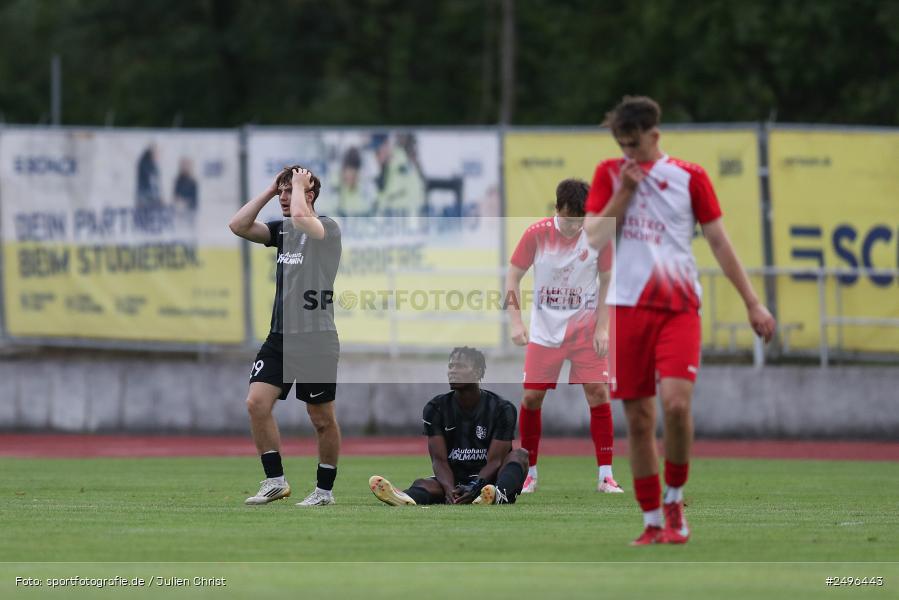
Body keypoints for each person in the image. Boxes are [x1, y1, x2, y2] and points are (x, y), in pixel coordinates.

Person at [583, 96, 776, 545]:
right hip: (628, 308)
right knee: (638, 418)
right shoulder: (610, 175)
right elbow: (593, 237)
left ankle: (674, 500)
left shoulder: (690, 177)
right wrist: (625, 191)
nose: (628, 153)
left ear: (655, 135)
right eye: (621, 144)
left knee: (675, 404)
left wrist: (752, 302)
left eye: (635, 144)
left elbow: (720, 243)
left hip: (678, 307)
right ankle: (652, 522)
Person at [228, 165, 343, 507]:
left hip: (317, 339)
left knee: (321, 418)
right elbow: (238, 225)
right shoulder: (281, 231)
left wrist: (297, 185)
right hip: (279, 337)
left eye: (289, 192)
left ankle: (324, 492)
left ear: (308, 196)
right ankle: (275, 481)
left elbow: (304, 219)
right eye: (280, 193)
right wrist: (269, 189)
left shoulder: (328, 228)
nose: (283, 198)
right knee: (256, 403)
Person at [506, 179, 622, 495]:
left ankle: (606, 476)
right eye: (569, 220)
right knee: (531, 398)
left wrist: (602, 328)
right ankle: (529, 473)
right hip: (545, 332)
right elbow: (513, 276)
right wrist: (515, 321)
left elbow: (609, 281)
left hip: (585, 330)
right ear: (557, 209)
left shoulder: (598, 237)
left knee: (598, 393)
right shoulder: (536, 234)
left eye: (580, 221)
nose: (574, 228)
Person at [369, 347, 529, 506]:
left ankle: (497, 495)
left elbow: (495, 461)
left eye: (460, 366)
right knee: (423, 484)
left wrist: (475, 487)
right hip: (455, 479)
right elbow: (439, 460)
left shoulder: (502, 409)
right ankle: (404, 498)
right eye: (451, 366)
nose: (453, 371)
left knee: (520, 456)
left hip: (491, 480)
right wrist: (450, 490)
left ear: (478, 371)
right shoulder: (435, 408)